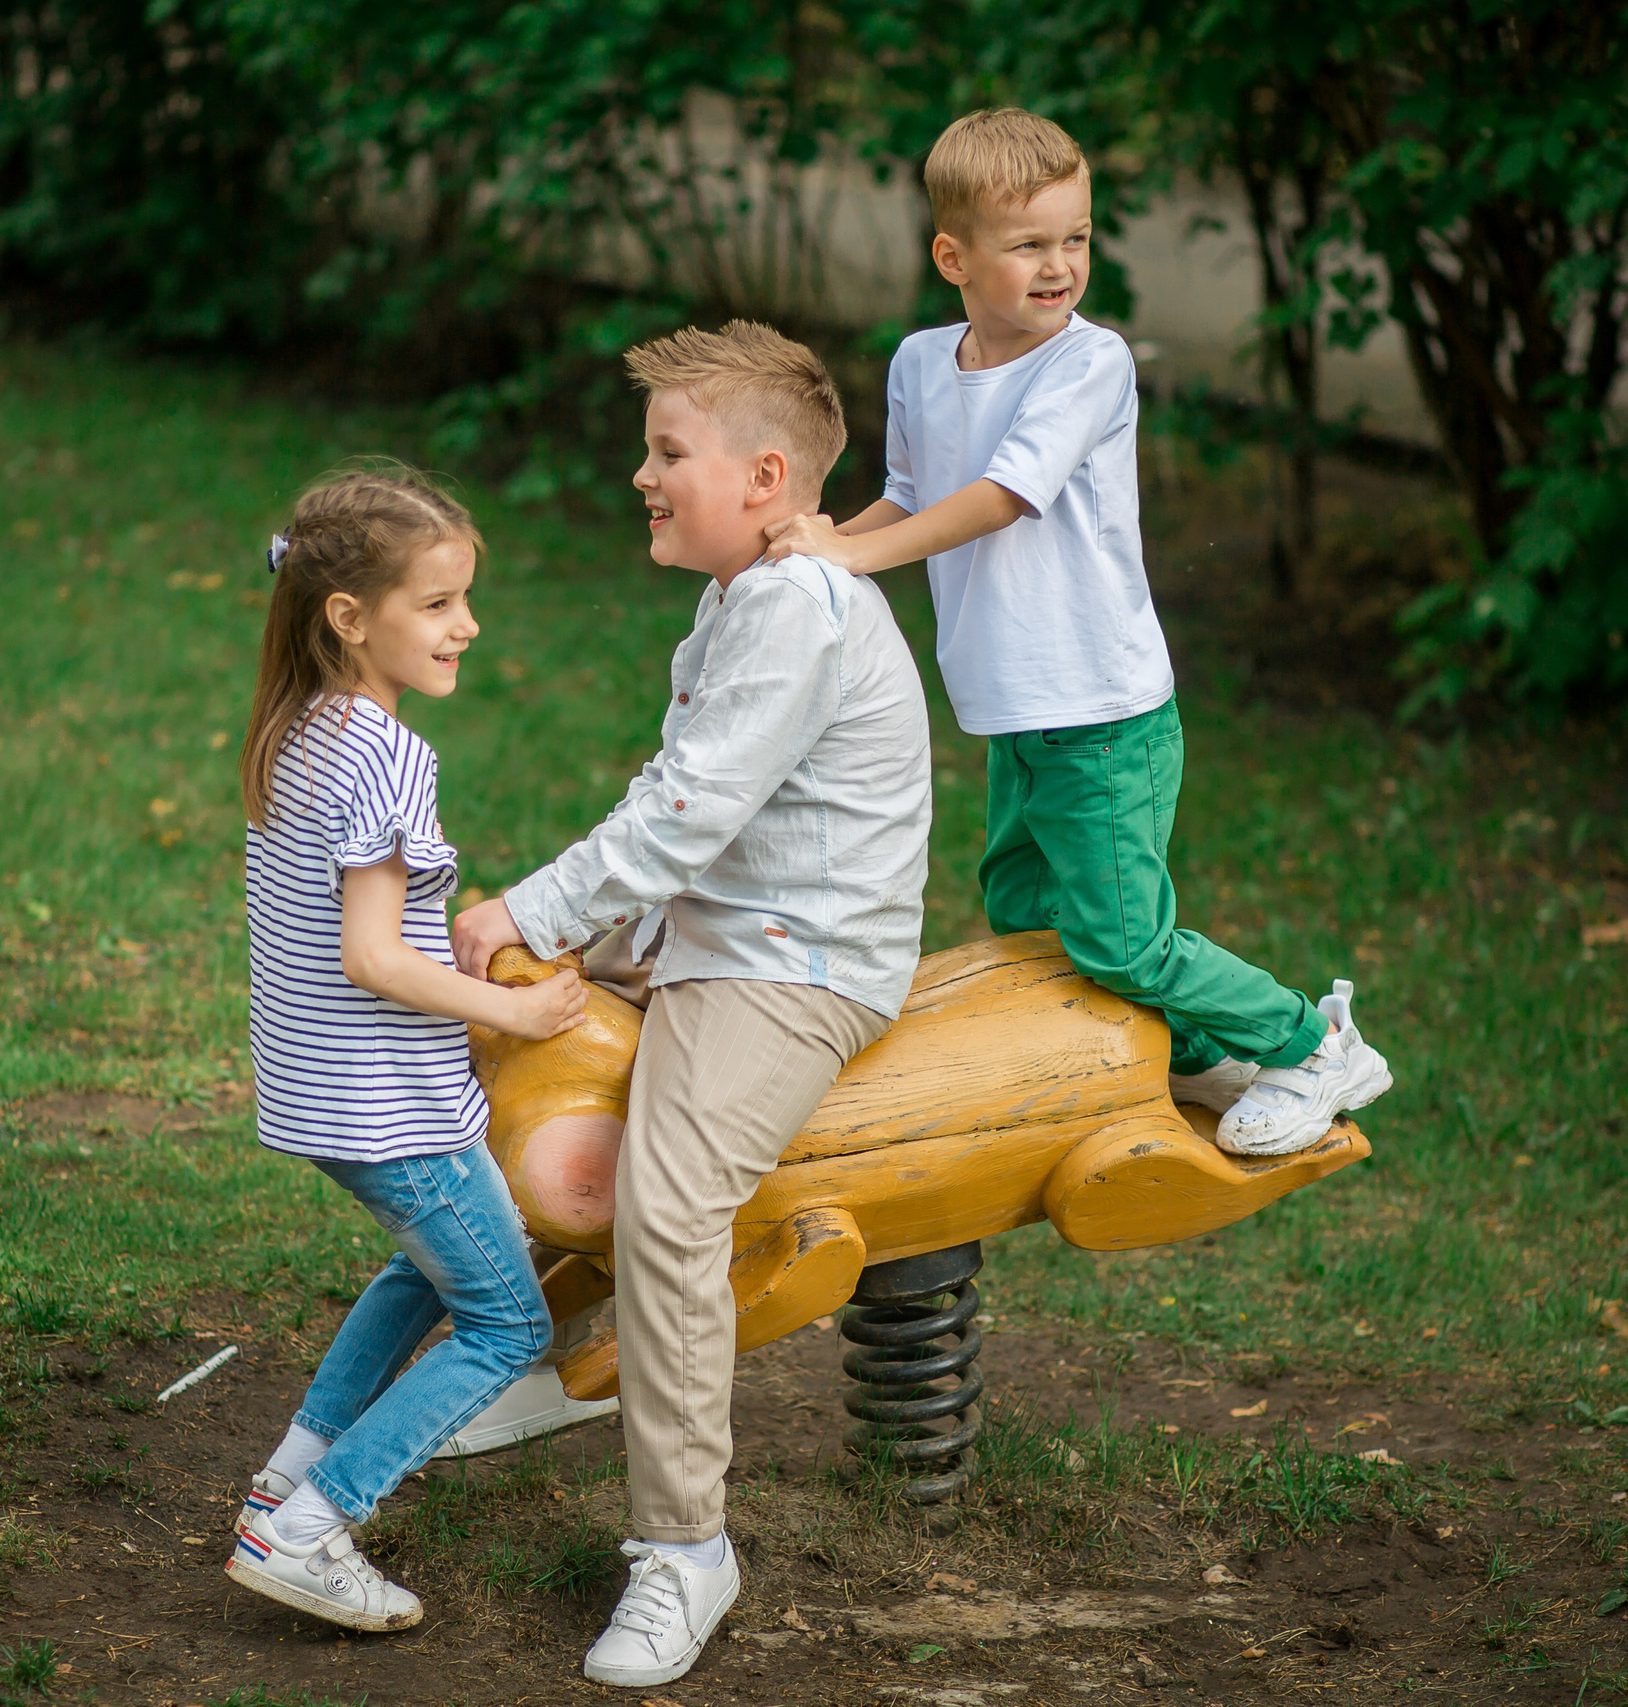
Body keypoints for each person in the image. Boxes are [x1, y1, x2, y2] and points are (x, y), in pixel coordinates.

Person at [763, 107, 1392, 1158]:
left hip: (1102, 705)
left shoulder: (1086, 364)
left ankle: (1309, 1044)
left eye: (1076, 238)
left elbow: (1003, 496)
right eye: (1029, 245)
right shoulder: (921, 362)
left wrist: (859, 554)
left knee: (1117, 935)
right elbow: (912, 493)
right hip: (1016, 705)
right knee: (1024, 916)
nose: (1059, 266)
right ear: (952, 255)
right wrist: (825, 537)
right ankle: (1182, 1051)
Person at [452, 323, 932, 1688]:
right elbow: (701, 821)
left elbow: (688, 810)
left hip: (797, 963)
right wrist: (597, 939)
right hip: (721, 925)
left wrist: (537, 914)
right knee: (500, 1039)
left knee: (670, 1200)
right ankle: (527, 1345)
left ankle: (685, 1547)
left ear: (767, 476)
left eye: (668, 453)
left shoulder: (795, 605)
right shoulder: (747, 593)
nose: (640, 475)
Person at [224, 467, 588, 1633]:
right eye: (436, 604)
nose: (464, 625)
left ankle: (287, 1474)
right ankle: (311, 1525)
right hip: (393, 1104)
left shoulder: (296, 728)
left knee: (427, 1267)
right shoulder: (385, 754)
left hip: (321, 1093)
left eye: (462, 600)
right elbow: (372, 957)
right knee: (504, 1324)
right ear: (350, 615)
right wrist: (515, 1016)